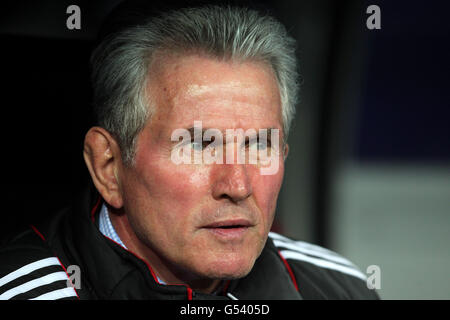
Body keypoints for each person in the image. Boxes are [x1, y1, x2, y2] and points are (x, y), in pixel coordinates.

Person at [0, 2, 379, 300]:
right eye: (198, 145)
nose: (238, 184)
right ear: (108, 166)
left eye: (259, 144)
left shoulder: (336, 288)